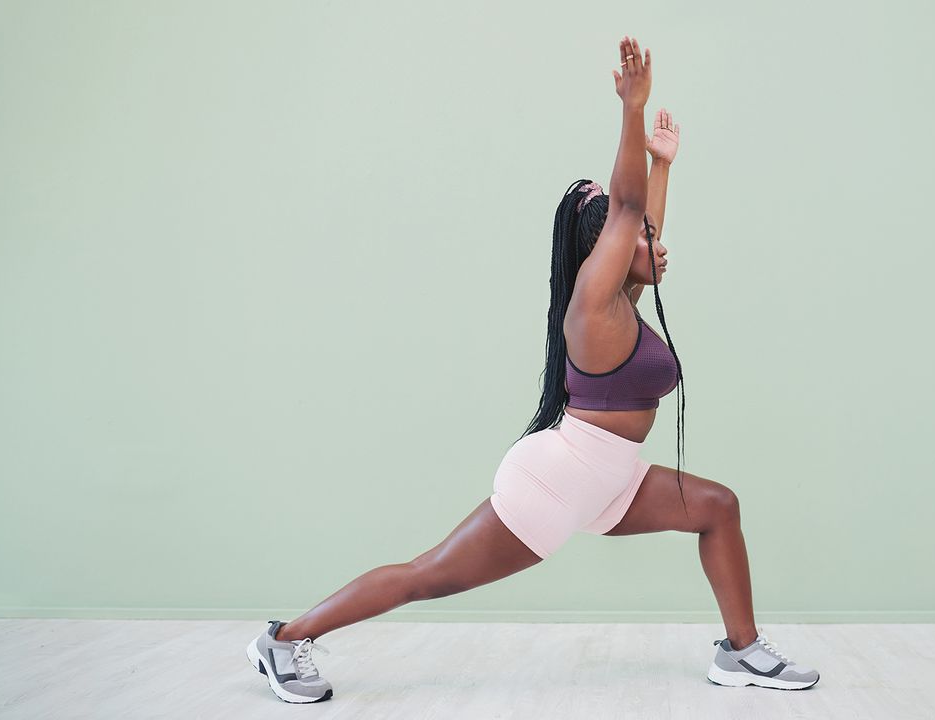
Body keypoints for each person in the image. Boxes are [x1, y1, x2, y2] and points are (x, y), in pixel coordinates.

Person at [245, 35, 819, 703]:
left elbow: (643, 221)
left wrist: (663, 166)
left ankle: (742, 651)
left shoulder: (622, 303)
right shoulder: (592, 308)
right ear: (603, 249)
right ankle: (285, 638)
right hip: (556, 480)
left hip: (609, 480)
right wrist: (633, 111)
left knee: (718, 508)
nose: (653, 245)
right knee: (426, 575)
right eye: (634, 238)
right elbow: (630, 213)